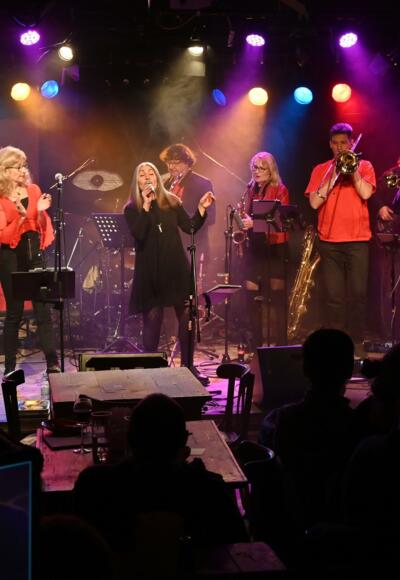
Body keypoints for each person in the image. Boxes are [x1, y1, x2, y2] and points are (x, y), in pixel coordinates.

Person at [74, 393, 248, 571]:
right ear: (184, 441)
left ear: (129, 439)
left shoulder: (94, 486)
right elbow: (242, 554)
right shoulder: (211, 492)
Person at [124, 161, 214, 381]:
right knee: (153, 319)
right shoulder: (132, 208)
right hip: (151, 272)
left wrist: (201, 209)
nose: (147, 177)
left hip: (176, 268)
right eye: (142, 174)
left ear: (157, 179)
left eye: (151, 173)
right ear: (137, 182)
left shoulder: (172, 202)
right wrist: (146, 205)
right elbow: (139, 234)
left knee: (186, 316)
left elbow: (190, 227)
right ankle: (152, 370)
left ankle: (188, 367)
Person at [305, 123, 376, 356]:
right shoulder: (321, 169)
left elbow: (365, 192)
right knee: (334, 298)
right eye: (335, 143)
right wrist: (334, 173)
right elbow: (314, 202)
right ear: (330, 145)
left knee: (358, 296)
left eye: (344, 143)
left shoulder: (365, 166)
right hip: (329, 242)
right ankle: (337, 347)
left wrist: (351, 168)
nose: (339, 147)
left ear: (352, 143)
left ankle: (357, 342)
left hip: (357, 241)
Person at [0, 146, 60, 376]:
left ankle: (52, 362)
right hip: (10, 258)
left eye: (24, 165)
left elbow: (43, 229)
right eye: (17, 167)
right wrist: (21, 217)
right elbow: (4, 237)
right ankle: (10, 367)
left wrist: (41, 212)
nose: (23, 170)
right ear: (5, 170)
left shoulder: (33, 190)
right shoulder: (1, 198)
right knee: (14, 313)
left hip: (34, 253)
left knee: (43, 310)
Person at [240, 151, 290, 348]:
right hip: (255, 248)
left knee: (277, 296)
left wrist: (254, 223)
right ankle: (256, 344)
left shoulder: (280, 189)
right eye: (255, 167)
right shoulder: (250, 190)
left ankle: (281, 344)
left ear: (271, 171)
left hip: (275, 247)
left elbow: (281, 220)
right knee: (251, 292)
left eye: (262, 168)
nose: (257, 171)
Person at [159, 143, 216, 288]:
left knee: (188, 292)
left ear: (187, 163)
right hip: (168, 248)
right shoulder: (165, 184)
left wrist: (184, 219)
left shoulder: (202, 183)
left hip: (192, 247)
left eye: (176, 163)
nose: (171, 167)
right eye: (169, 163)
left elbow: (211, 216)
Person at [373, 156, 400, 342]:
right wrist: (381, 207)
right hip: (388, 238)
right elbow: (373, 194)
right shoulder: (391, 174)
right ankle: (387, 335)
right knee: (386, 288)